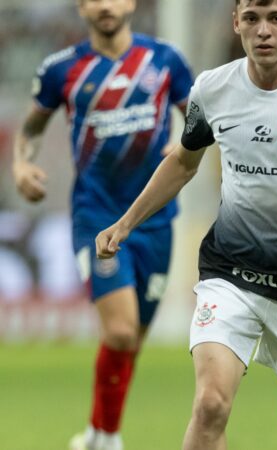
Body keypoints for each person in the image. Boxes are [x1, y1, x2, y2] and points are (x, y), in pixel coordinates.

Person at [95, 1, 277, 449]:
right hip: (230, 275)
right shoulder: (212, 89)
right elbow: (183, 164)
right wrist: (126, 222)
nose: (263, 30)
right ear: (236, 24)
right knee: (210, 404)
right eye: (251, 18)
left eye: (274, 18)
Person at [11, 0, 193, 449]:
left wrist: (184, 143)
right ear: (81, 6)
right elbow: (32, 127)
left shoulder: (165, 61)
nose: (105, 5)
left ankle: (96, 433)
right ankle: (109, 439)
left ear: (131, 3)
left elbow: (199, 121)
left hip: (155, 220)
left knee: (132, 340)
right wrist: (20, 164)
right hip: (96, 217)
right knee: (120, 330)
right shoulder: (62, 69)